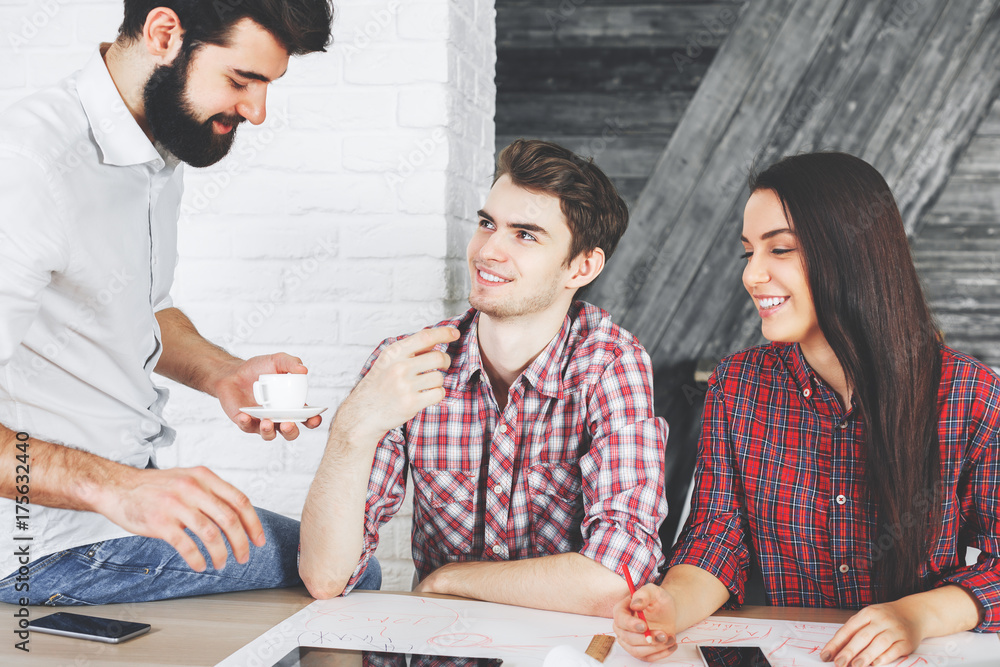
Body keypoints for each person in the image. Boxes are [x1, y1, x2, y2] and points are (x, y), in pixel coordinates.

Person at [0, 0, 381, 606]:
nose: (256, 112)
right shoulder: (27, 166)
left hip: (111, 513)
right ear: (163, 33)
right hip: (39, 546)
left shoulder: (157, 145)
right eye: (241, 80)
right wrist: (116, 489)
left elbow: (140, 309)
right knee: (344, 569)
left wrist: (221, 373)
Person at [612, 152, 1000, 666]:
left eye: (781, 250)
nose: (753, 275)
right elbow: (716, 538)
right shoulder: (738, 384)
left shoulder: (968, 394)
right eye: (748, 252)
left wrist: (916, 616)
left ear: (854, 252)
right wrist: (671, 603)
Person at [299, 139, 668, 616]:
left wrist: (451, 579)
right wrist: (350, 430)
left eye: (526, 235)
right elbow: (327, 576)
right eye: (487, 223)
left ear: (582, 266)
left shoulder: (609, 363)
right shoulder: (411, 363)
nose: (488, 250)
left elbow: (617, 577)